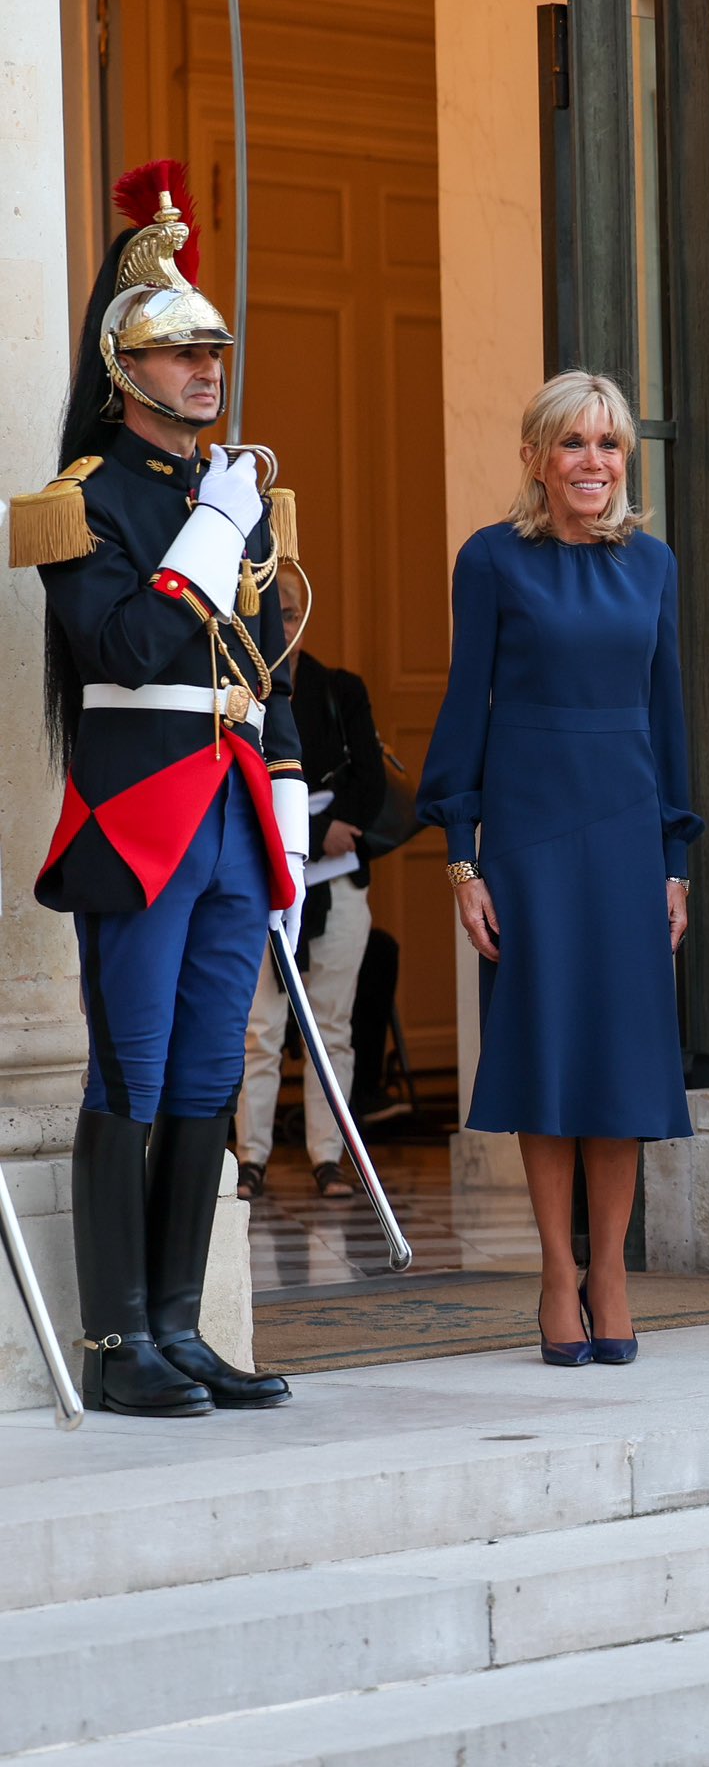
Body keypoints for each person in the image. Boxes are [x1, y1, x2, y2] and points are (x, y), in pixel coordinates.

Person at [9, 160, 303, 1416]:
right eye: (184, 356)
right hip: (141, 812)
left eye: (215, 354)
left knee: (205, 1074)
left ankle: (179, 1326)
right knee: (128, 1068)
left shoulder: (226, 492)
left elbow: (267, 665)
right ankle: (115, 1341)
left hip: (232, 809)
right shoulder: (80, 505)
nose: (208, 373)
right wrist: (212, 531)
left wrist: (284, 804)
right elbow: (124, 647)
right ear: (126, 369)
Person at [419, 370, 701, 1367]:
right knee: (545, 1053)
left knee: (620, 1058)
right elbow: (465, 707)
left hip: (627, 831)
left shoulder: (653, 564)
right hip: (531, 837)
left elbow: (668, 717)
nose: (592, 462)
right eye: (572, 443)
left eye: (609, 444)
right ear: (536, 456)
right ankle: (553, 1268)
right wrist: (463, 858)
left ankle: (612, 1269)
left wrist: (674, 859)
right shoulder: (492, 559)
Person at [236, 570, 386, 1201]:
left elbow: (371, 783)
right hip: (260, 883)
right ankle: (250, 1160)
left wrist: (323, 830)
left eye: (293, 612)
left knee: (333, 1028)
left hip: (338, 887)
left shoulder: (338, 689)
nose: (285, 623)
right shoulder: (239, 689)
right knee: (259, 1030)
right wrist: (317, 827)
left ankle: (329, 1158)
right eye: (275, 613)